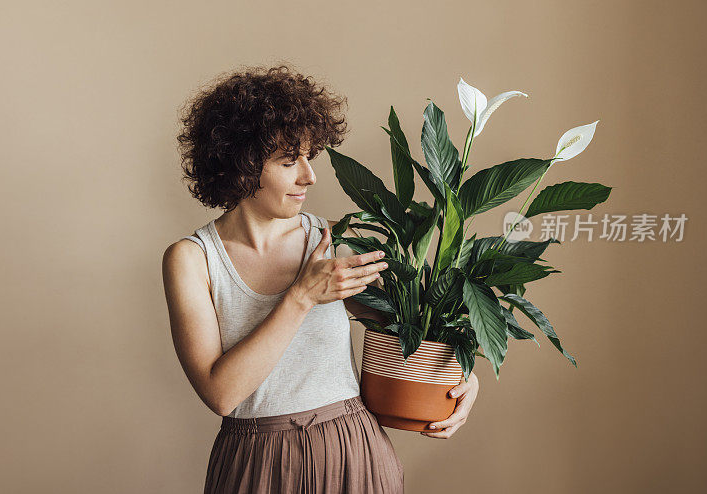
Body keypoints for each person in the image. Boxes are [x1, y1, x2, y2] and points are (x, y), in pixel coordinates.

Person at [162, 64, 478, 493]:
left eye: (310, 157)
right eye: (289, 161)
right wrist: (301, 297)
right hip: (255, 463)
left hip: (352, 450)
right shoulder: (191, 260)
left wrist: (465, 380)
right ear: (240, 165)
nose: (309, 176)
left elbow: (416, 331)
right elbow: (221, 394)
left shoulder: (333, 240)